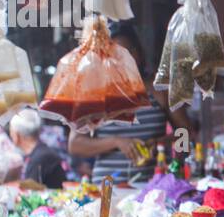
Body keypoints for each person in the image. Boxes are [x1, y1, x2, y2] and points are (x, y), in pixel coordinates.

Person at [67, 23, 193, 183]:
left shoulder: (159, 91)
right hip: (106, 190)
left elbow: (187, 134)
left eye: (126, 53)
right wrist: (116, 142)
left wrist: (161, 144)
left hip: (153, 191)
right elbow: (75, 145)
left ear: (138, 53)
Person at [9, 108, 66, 189]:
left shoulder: (40, 158)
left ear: (16, 135)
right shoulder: (38, 153)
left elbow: (30, 191)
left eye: (11, 131)